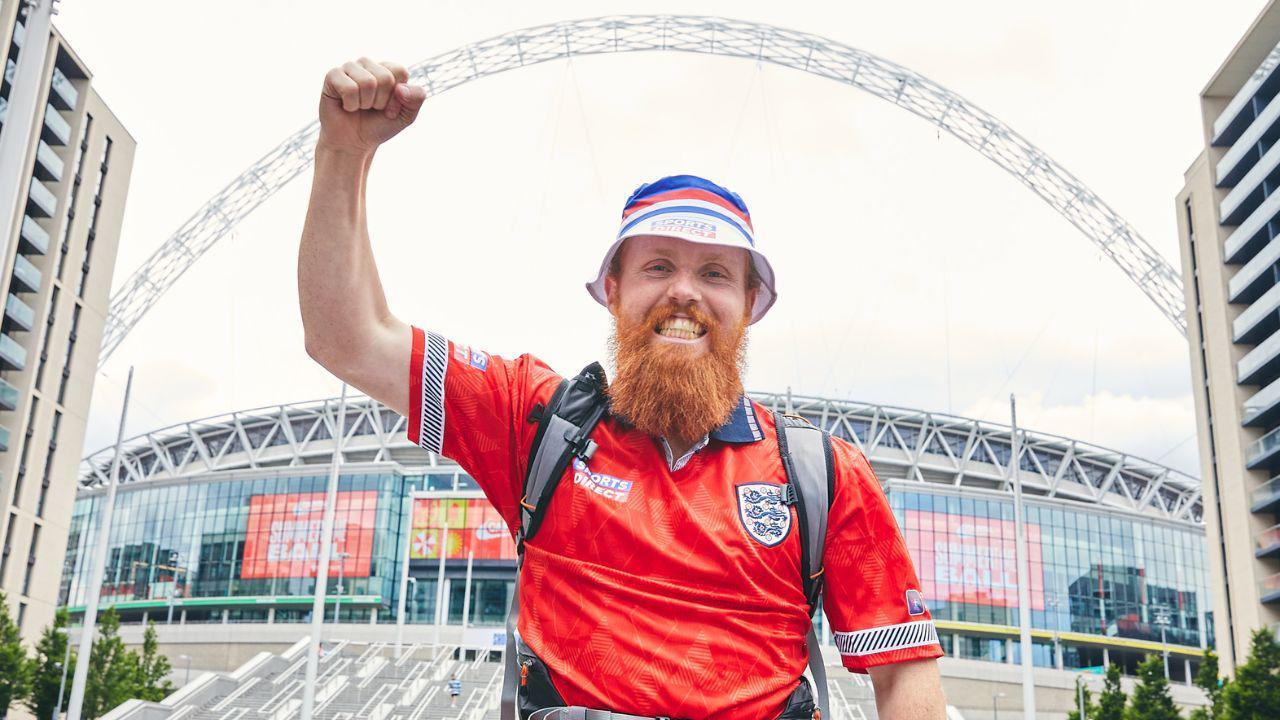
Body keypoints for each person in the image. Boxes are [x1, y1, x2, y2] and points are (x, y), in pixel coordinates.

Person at [300, 58, 948, 720]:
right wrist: (343, 154)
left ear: (752, 303)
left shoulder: (822, 475)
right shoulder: (534, 420)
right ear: (613, 290)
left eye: (717, 273)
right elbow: (346, 338)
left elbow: (903, 676)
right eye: (658, 266)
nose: (685, 292)